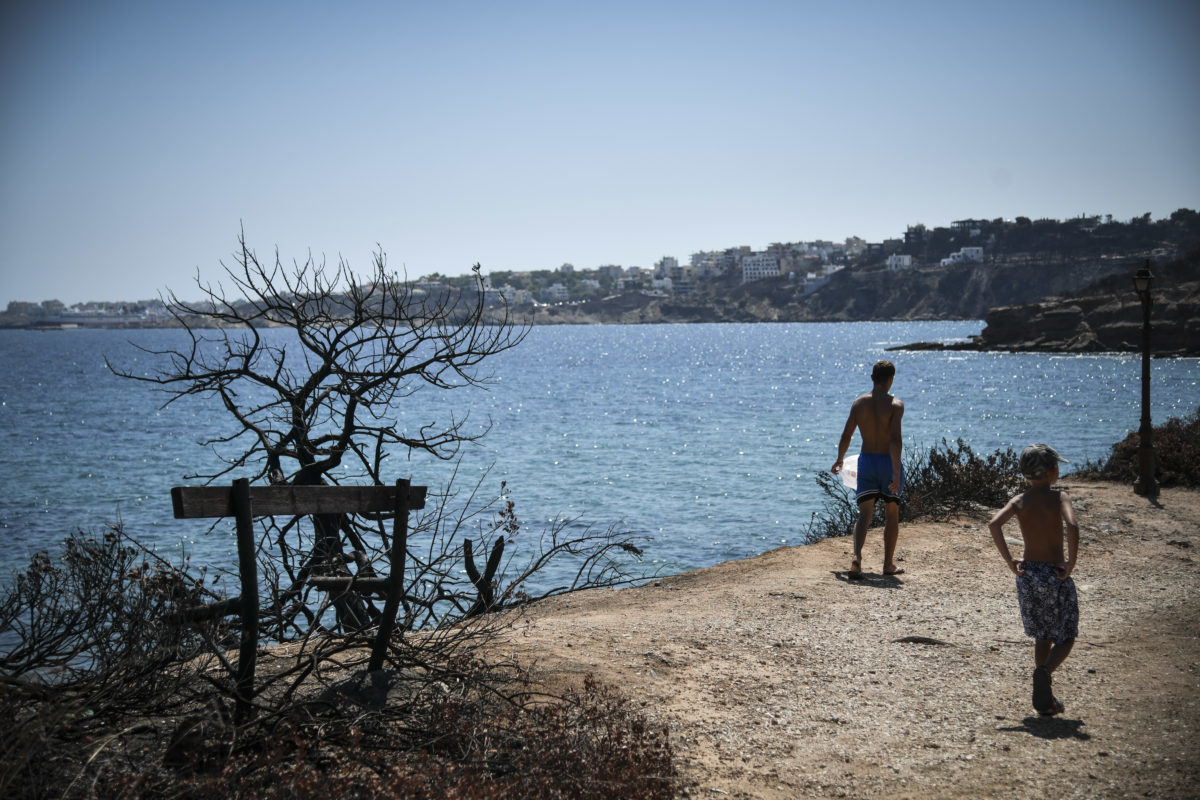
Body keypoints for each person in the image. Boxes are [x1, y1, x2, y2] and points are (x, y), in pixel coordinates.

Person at [987, 443, 1079, 716]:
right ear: (1053, 471)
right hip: (1055, 574)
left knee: (1042, 633)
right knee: (1067, 634)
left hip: (1028, 574)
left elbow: (994, 524)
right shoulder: (1059, 497)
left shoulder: (1019, 501)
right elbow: (1073, 525)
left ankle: (1046, 699)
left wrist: (1009, 560)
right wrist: (1071, 563)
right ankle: (1044, 673)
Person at [831, 360, 905, 578]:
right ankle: (888, 565)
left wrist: (840, 459)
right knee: (892, 513)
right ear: (891, 379)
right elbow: (895, 440)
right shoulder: (895, 405)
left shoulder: (858, 404)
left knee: (864, 514)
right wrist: (896, 473)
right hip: (886, 461)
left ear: (872, 378)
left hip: (866, 461)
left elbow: (847, 435)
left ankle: (857, 558)